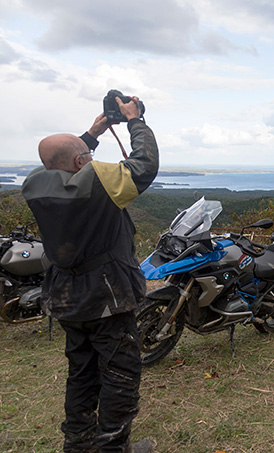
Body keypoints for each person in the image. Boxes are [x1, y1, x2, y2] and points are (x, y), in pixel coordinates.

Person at [21, 96, 158, 453]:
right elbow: (144, 166)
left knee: (81, 372)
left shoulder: (35, 184)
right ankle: (113, 448)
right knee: (119, 375)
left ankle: (78, 444)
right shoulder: (97, 184)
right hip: (107, 296)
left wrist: (92, 133)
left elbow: (63, 160)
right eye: (88, 156)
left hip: (66, 296)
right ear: (83, 162)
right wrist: (134, 121)